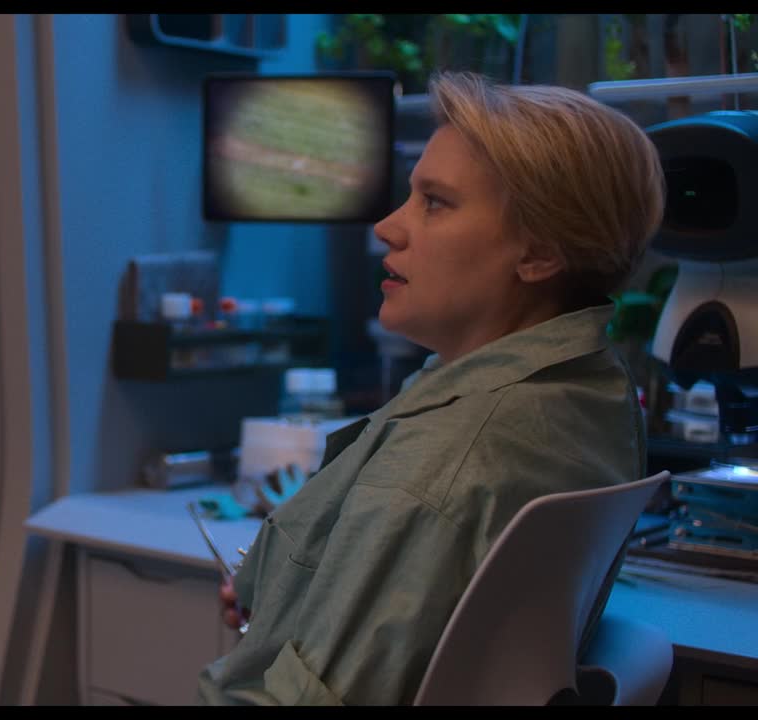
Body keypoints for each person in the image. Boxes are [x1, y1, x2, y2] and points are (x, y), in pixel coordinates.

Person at [197, 70, 666, 706]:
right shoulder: (590, 392)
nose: (388, 227)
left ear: (540, 253)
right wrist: (289, 595)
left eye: (435, 202)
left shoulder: (437, 473)